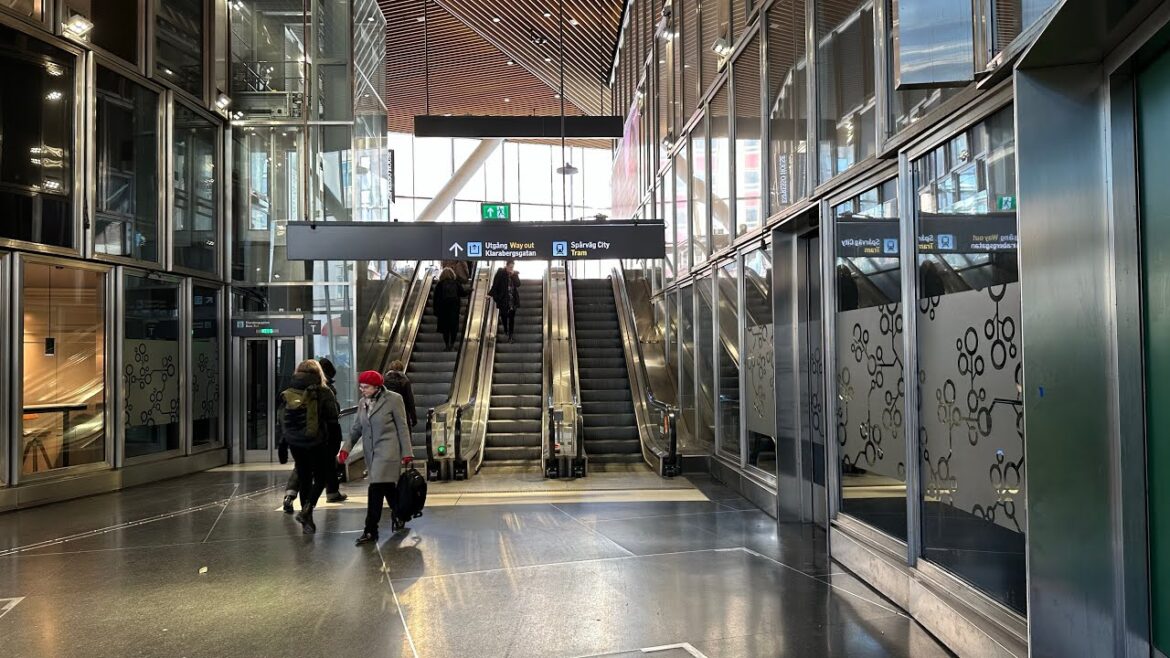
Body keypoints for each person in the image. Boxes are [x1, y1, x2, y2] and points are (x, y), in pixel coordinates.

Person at [338, 370, 413, 546]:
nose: (362, 390)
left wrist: (407, 452)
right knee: (388, 488)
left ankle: (370, 530)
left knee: (375, 489)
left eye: (366, 387)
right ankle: (401, 514)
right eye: (361, 387)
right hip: (371, 454)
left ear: (377, 387)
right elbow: (357, 428)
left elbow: (402, 427)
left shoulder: (394, 399)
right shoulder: (362, 403)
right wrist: (346, 449)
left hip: (388, 452)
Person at [278, 359, 341, 534]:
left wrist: (283, 443)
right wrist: (334, 444)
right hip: (316, 441)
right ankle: (307, 509)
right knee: (321, 477)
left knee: (304, 477)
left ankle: (307, 521)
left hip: (294, 442)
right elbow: (333, 418)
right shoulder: (323, 391)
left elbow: (281, 419)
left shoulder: (289, 390)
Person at [435, 267, 465, 351]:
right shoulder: (456, 283)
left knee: (446, 329)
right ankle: (452, 345)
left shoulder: (439, 285)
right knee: (453, 328)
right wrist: (470, 290)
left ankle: (447, 345)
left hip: (443, 311)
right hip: (454, 310)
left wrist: (436, 311)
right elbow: (463, 293)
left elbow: (436, 299)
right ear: (452, 274)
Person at [383, 360, 418, 430]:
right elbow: (410, 401)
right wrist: (413, 417)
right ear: (401, 369)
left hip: (387, 414)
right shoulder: (404, 381)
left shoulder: (383, 381)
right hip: (402, 412)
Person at [489, 259, 518, 341]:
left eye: (512, 267)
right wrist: (490, 294)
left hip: (512, 300)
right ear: (506, 266)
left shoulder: (514, 274)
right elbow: (495, 285)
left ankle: (510, 335)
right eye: (510, 267)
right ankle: (505, 328)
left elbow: (518, 284)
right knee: (504, 316)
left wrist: (513, 275)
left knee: (511, 318)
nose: (511, 269)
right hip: (503, 299)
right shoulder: (500, 273)